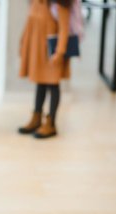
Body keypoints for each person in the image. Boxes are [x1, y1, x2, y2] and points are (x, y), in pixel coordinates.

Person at [18, 0, 72, 138]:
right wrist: (23, 42)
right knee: (40, 83)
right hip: (38, 51)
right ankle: (36, 117)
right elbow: (29, 24)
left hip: (52, 53)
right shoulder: (36, 2)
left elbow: (64, 28)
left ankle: (51, 123)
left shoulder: (59, 4)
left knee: (53, 85)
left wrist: (59, 52)